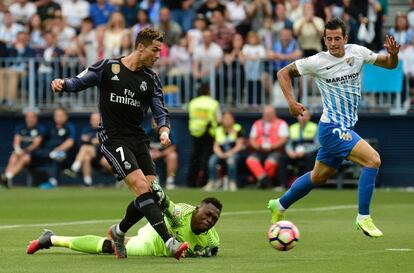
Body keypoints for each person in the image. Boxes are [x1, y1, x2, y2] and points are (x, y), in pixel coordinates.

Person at [50, 28, 189, 260]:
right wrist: (62, 82)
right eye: (155, 50)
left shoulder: (151, 79)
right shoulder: (108, 67)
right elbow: (79, 81)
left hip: (138, 139)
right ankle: (170, 242)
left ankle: (118, 232)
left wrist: (164, 131)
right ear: (141, 47)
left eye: (160, 51)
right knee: (140, 186)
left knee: (153, 194)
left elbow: (160, 112)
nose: (158, 56)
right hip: (113, 137)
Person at [268, 17, 400, 238]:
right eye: (329, 39)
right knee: (373, 160)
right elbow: (283, 73)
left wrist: (394, 54)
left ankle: (279, 205)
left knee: (318, 177)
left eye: (337, 38)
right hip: (331, 128)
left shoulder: (358, 53)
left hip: (344, 126)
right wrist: (291, 102)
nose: (333, 43)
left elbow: (390, 64)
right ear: (324, 40)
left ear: (345, 38)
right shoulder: (318, 61)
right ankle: (363, 217)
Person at [27, 187, 222, 258]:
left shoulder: (213, 240)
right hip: (153, 240)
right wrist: (159, 193)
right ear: (197, 209)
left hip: (161, 246)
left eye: (214, 218)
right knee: (108, 247)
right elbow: (166, 204)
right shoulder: (181, 214)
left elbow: (212, 250)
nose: (209, 220)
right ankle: (52, 239)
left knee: (112, 243)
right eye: (207, 214)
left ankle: (48, 238)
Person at [187, 83, 221, 188]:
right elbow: (219, 119)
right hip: (208, 132)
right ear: (209, 91)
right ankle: (204, 182)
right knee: (207, 158)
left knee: (195, 157)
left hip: (195, 132)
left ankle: (191, 182)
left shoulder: (193, 103)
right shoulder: (213, 103)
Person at [246, 105, 288, 188]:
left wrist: (272, 147)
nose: (268, 115)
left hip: (275, 150)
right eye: (266, 113)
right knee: (250, 160)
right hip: (260, 150)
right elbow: (252, 139)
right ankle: (265, 182)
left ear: (274, 114)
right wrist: (257, 147)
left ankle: (263, 183)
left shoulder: (281, 123)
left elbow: (283, 139)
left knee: (270, 163)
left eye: (270, 113)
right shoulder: (257, 123)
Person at [64, 112, 112, 186]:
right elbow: (83, 139)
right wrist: (94, 140)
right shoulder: (86, 129)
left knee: (85, 148)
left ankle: (74, 168)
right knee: (86, 156)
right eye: (93, 119)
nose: (94, 121)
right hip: (92, 154)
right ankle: (87, 182)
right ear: (90, 120)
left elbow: (102, 141)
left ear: (100, 120)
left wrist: (92, 140)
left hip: (104, 154)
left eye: (96, 119)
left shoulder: (104, 129)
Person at [0, 111, 45, 188]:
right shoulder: (21, 128)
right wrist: (18, 150)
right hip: (21, 153)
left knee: (25, 158)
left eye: (32, 118)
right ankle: (6, 179)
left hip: (35, 155)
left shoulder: (40, 128)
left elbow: (36, 144)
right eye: (28, 118)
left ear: (36, 119)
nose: (30, 120)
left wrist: (24, 151)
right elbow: (16, 141)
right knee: (13, 156)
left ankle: (7, 177)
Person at [204, 112, 245, 191]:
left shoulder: (238, 128)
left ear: (233, 120)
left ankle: (232, 182)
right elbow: (216, 146)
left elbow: (239, 145)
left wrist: (229, 154)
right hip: (221, 153)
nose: (227, 120)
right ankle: (211, 181)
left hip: (234, 153)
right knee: (212, 160)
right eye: (225, 118)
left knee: (231, 161)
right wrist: (221, 154)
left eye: (229, 118)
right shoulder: (218, 130)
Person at [278, 110, 319, 188]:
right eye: (301, 115)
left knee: (311, 157)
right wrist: (290, 151)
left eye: (305, 115)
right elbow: (288, 143)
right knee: (282, 158)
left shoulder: (315, 127)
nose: (303, 117)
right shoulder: (292, 127)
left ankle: (308, 185)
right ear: (297, 116)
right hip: (295, 153)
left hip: (308, 153)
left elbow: (317, 145)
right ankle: (284, 184)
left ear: (309, 117)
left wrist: (304, 151)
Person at [38, 108, 76, 189]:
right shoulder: (49, 127)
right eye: (56, 115)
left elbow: (70, 142)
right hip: (49, 153)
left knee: (58, 156)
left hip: (65, 156)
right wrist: (50, 153)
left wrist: (57, 151)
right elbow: (40, 141)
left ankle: (53, 182)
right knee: (36, 152)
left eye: (61, 115)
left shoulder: (69, 126)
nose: (58, 117)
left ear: (66, 116)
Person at [146, 117, 178, 190]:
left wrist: (160, 154)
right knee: (148, 155)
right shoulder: (148, 131)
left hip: (164, 155)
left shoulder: (167, 132)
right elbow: (142, 145)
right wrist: (150, 152)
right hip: (152, 155)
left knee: (173, 156)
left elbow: (173, 147)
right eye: (154, 121)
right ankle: (153, 180)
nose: (156, 123)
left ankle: (170, 180)